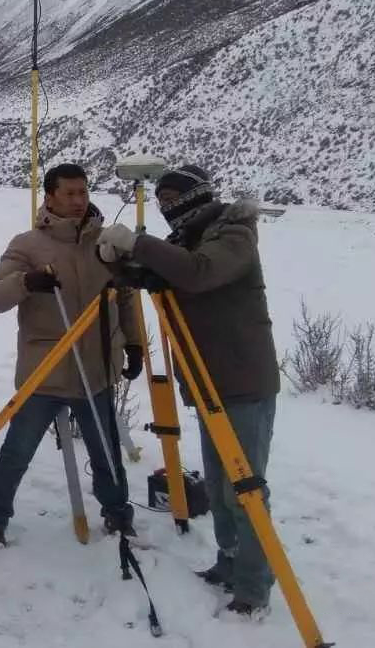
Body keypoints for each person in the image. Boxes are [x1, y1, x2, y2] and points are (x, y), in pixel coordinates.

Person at [95, 165, 280, 619]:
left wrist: (138, 243)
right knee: (218, 486)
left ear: (197, 197)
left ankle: (254, 587)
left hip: (241, 381)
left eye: (173, 199)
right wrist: (119, 264)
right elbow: (162, 273)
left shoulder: (233, 235)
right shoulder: (188, 241)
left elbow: (198, 274)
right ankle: (229, 562)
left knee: (245, 488)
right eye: (161, 200)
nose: (166, 208)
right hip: (208, 382)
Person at [0, 163, 145, 547]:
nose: (77, 200)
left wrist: (134, 344)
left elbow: (126, 297)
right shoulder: (28, 244)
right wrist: (26, 282)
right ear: (49, 196)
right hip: (45, 372)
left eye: (83, 192)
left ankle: (118, 516)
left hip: (97, 369)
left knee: (106, 453)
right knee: (17, 451)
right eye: (69, 193)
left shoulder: (106, 243)